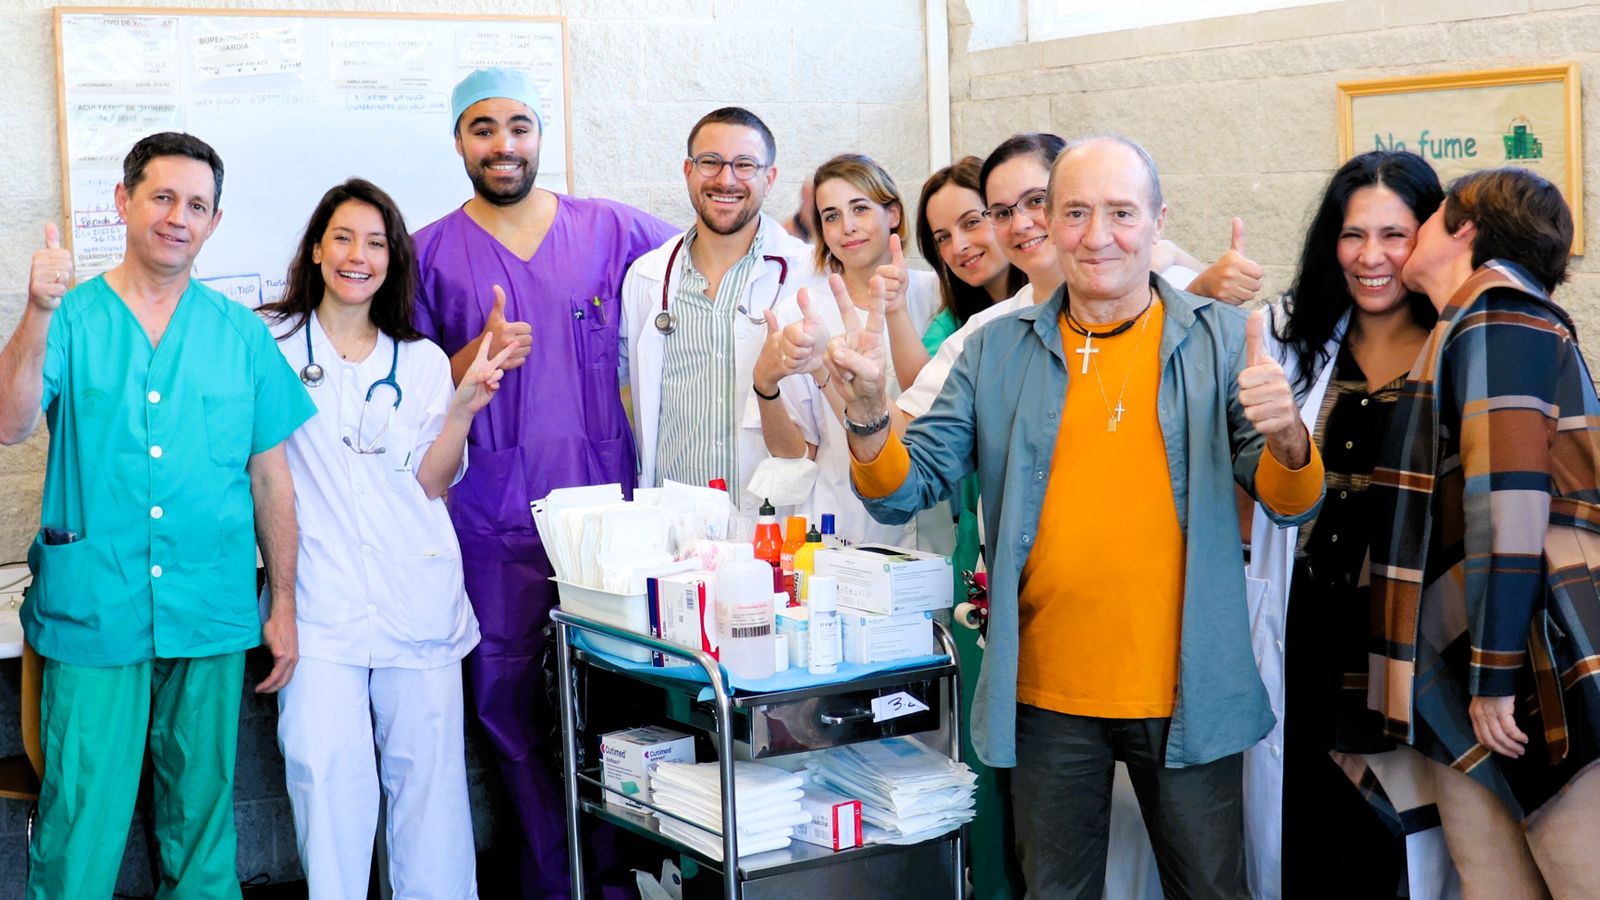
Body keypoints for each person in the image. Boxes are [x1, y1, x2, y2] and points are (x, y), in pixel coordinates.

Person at [822, 135, 1326, 899]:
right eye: (1077, 213)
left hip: (1191, 691)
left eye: (1122, 213)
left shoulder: (1220, 339)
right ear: (1048, 225)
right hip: (1046, 700)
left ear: (1158, 222)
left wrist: (1289, 434)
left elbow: (1292, 501)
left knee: (1213, 890)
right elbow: (904, 486)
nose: (1098, 236)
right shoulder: (996, 351)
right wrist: (866, 418)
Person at [0, 132, 313, 898]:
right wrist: (36, 312)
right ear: (125, 202)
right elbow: (8, 424)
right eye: (163, 197)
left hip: (209, 608)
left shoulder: (239, 333)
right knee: (80, 825)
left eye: (196, 204)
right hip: (94, 610)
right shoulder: (70, 318)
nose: (179, 217)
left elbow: (272, 481)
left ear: (214, 220)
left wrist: (285, 605)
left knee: (203, 826)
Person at [410, 68, 676, 899]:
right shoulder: (427, 251)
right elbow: (409, 385)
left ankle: (621, 876)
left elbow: (712, 253)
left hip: (606, 509)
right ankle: (552, 880)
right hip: (491, 517)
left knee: (619, 695)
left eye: (518, 126)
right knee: (507, 704)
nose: (503, 144)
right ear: (458, 141)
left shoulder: (611, 228)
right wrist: (472, 357)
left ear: (541, 134)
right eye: (482, 128)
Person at [260, 179, 513, 899]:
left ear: (393, 260)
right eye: (342, 237)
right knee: (322, 774)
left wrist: (462, 408)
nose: (358, 256)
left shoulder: (424, 360)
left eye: (376, 243)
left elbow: (432, 481)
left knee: (429, 791)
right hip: (321, 603)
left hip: (415, 596)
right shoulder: (270, 345)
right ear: (315, 248)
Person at [1371, 166, 1600, 898]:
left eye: (1433, 215)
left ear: (1464, 228)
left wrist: (1495, 677)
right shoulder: (1470, 321)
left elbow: (1511, 506)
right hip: (1477, 652)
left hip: (1532, 658)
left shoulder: (1500, 312)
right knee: (1492, 882)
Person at [1245, 151, 1457, 900]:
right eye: (1352, 234)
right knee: (1306, 825)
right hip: (1306, 619)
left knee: (1392, 840)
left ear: (1432, 237)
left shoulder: (1459, 342)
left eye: (1394, 235)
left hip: (1407, 632)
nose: (1372, 257)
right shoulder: (1287, 335)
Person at [620, 106, 827, 513]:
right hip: (673, 523)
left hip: (774, 524)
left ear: (769, 178)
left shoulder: (807, 275)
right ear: (688, 171)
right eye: (710, 162)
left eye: (744, 165)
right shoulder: (647, 277)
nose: (725, 179)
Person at [750, 153, 937, 546]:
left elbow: (939, 425)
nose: (847, 228)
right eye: (831, 216)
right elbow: (797, 452)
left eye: (860, 209)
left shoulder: (937, 296)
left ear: (894, 214)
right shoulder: (799, 313)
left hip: (935, 528)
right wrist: (765, 384)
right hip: (845, 527)